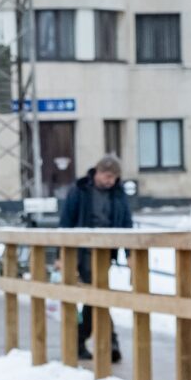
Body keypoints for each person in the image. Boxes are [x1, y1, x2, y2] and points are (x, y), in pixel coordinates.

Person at [59, 154, 133, 363]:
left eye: (114, 177)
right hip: (84, 251)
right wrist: (61, 255)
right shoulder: (80, 191)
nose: (110, 181)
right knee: (97, 293)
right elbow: (66, 222)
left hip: (106, 252)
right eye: (108, 176)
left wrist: (129, 253)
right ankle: (110, 342)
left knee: (95, 296)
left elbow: (127, 223)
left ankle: (80, 341)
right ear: (98, 172)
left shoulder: (118, 194)